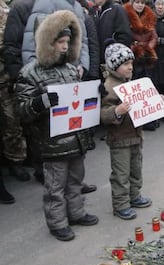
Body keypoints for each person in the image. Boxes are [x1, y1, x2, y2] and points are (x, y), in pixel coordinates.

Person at [15, 10, 99, 241]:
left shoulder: (71, 69)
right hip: (52, 143)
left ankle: (76, 212)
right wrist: (40, 102)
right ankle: (57, 223)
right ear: (47, 42)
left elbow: (78, 103)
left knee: (75, 181)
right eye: (60, 42)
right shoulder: (29, 72)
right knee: (55, 187)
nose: (64, 46)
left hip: (76, 139)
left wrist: (93, 98)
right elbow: (21, 110)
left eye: (67, 42)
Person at [100, 41, 152, 220]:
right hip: (120, 139)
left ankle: (135, 196)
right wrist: (116, 111)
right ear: (115, 66)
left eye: (131, 63)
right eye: (126, 64)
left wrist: (155, 101)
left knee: (136, 169)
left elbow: (142, 103)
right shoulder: (108, 88)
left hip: (136, 136)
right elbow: (102, 115)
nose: (130, 67)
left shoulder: (130, 83)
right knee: (121, 174)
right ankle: (121, 205)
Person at [0, 0, 31, 182]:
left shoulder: (5, 9)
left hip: (5, 77)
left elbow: (10, 41)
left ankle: (15, 161)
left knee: (12, 122)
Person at [124, 0, 160, 131]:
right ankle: (135, 120)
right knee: (134, 91)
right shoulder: (125, 15)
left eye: (142, 2)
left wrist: (148, 47)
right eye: (137, 2)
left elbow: (154, 36)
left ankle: (148, 119)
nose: (140, 5)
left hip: (146, 57)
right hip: (132, 58)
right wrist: (134, 47)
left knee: (146, 90)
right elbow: (124, 35)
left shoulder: (150, 16)